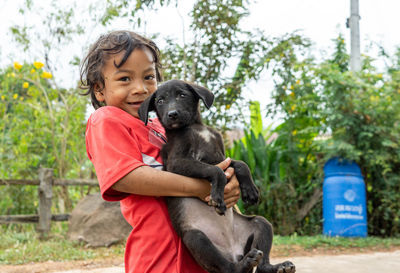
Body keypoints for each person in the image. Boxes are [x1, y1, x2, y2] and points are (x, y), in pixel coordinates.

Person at [80, 30, 241, 273]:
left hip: (205, 257)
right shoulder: (106, 119)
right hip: (158, 260)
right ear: (100, 90)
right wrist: (203, 188)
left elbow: (208, 163)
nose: (141, 88)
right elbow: (126, 177)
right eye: (125, 79)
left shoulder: (162, 127)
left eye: (149, 77)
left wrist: (229, 189)